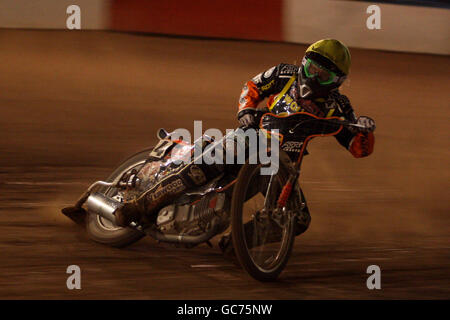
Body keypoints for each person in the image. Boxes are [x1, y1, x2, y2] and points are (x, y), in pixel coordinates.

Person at [218, 39, 376, 253]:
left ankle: (238, 243)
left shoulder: (338, 106)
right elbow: (252, 86)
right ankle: (172, 174)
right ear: (304, 62)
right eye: (312, 69)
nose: (313, 77)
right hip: (253, 136)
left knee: (298, 219)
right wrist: (246, 110)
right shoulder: (283, 73)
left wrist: (364, 132)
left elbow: (359, 148)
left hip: (282, 169)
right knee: (213, 159)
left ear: (336, 81)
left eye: (323, 75)